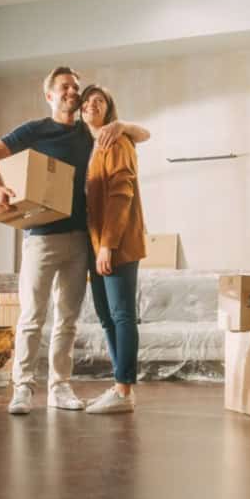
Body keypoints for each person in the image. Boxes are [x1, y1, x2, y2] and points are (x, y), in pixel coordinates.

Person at [0, 67, 149, 415]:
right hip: (40, 239)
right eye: (65, 87)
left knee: (68, 319)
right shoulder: (35, 130)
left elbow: (142, 136)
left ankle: (60, 388)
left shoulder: (93, 134)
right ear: (50, 95)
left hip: (80, 239)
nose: (72, 92)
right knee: (32, 316)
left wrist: (123, 125)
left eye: (76, 88)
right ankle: (22, 387)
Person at [79, 85, 147, 415]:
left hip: (116, 242)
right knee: (106, 317)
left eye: (99, 101)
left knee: (121, 315)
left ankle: (124, 390)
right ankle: (120, 386)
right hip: (96, 244)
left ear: (108, 109)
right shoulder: (91, 147)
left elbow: (122, 194)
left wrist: (108, 244)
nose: (92, 105)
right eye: (87, 101)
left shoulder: (116, 140)